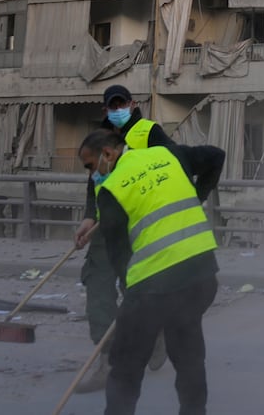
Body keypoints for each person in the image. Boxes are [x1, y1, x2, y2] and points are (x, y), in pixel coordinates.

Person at [79, 128, 225, 415]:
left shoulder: (110, 189)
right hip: (202, 275)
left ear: (108, 154)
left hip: (153, 288)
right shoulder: (167, 154)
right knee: (189, 356)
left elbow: (118, 254)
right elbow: (215, 156)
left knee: (125, 366)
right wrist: (198, 196)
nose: (92, 174)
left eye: (90, 166)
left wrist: (129, 297)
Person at [72, 85, 175, 393]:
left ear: (131, 104)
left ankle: (156, 333)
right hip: (107, 227)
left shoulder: (150, 133)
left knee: (138, 291)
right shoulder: (98, 138)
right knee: (98, 286)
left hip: (140, 227)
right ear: (104, 109)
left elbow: (172, 169)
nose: (116, 109)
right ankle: (107, 363)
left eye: (121, 103)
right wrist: (90, 216)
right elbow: (94, 182)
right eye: (111, 105)